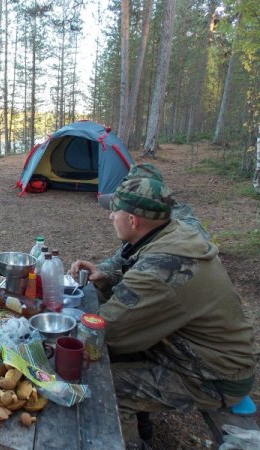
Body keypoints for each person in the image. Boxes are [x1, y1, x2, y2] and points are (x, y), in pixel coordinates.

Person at [70, 173, 258, 448]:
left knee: (102, 389)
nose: (110, 217)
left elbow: (106, 334)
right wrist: (107, 276)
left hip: (212, 376)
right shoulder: (173, 233)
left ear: (133, 220)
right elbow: (144, 291)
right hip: (207, 355)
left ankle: (133, 443)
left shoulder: (162, 267)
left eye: (114, 212)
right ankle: (142, 427)